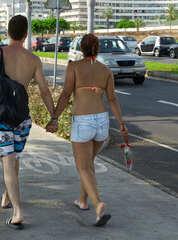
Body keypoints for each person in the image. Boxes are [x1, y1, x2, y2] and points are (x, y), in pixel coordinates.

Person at [0, 15, 57, 230]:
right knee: (14, 159)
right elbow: (45, 91)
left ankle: (17, 212)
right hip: (22, 118)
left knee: (8, 162)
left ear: (8, 33)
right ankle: (5, 196)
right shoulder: (34, 59)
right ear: (26, 35)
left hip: (1, 116)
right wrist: (53, 118)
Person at [46, 34, 129, 227]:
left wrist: (54, 117)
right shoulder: (106, 70)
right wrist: (122, 124)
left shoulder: (74, 66)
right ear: (97, 48)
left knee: (82, 167)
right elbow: (112, 99)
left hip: (83, 121)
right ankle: (82, 201)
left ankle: (98, 203)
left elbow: (66, 94)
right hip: (102, 121)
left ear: (81, 48)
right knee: (88, 164)